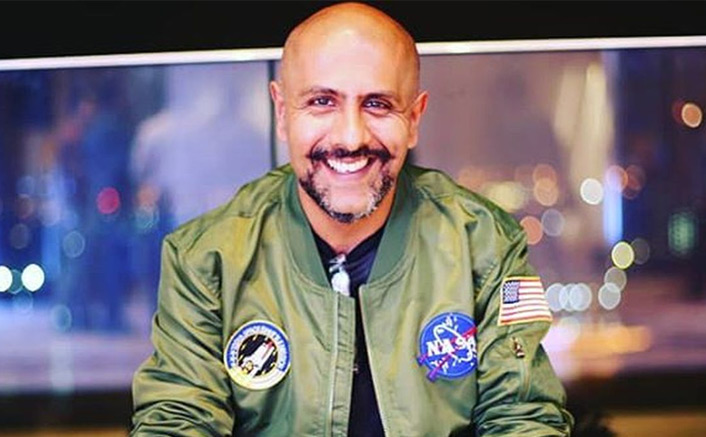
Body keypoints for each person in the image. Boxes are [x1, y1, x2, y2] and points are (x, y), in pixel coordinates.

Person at [130, 2, 574, 436]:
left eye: (377, 104)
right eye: (322, 101)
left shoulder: (484, 244)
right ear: (282, 113)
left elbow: (523, 417)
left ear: (414, 118)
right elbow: (177, 420)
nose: (350, 137)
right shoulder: (207, 259)